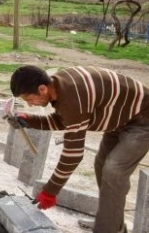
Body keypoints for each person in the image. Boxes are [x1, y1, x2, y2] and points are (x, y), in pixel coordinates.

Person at [8, 65, 149, 233]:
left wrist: (50, 191)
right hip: (121, 119)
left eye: (29, 99)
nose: (30, 105)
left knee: (114, 171)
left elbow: (73, 155)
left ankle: (107, 229)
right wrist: (28, 120)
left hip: (142, 119)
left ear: (42, 89)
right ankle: (112, 223)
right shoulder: (58, 86)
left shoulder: (72, 97)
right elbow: (65, 120)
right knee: (101, 165)